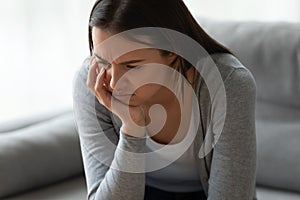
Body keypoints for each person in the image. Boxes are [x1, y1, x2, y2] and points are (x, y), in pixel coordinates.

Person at [72, 0, 257, 199]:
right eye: (103, 62)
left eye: (132, 66)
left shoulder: (228, 84)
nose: (116, 83)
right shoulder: (91, 84)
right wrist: (132, 132)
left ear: (171, 50)